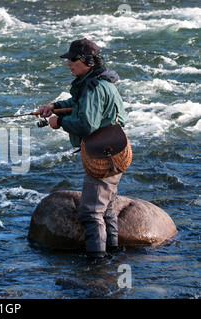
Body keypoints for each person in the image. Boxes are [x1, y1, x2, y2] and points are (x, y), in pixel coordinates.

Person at [37, 38, 127, 260]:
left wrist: (59, 122)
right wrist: (55, 107)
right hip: (111, 152)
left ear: (88, 61)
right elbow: (81, 104)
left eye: (73, 59)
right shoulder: (97, 81)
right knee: (105, 210)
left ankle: (96, 267)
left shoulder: (94, 86)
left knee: (90, 212)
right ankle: (113, 254)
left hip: (103, 157)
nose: (69, 63)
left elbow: (86, 125)